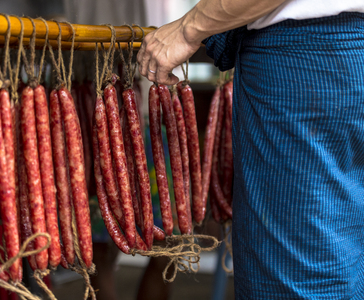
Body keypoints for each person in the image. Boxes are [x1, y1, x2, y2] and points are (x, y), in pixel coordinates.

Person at [137, 1, 364, 299]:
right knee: (344, 252)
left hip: (304, 59)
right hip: (339, 54)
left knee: (296, 274)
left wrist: (186, 29)